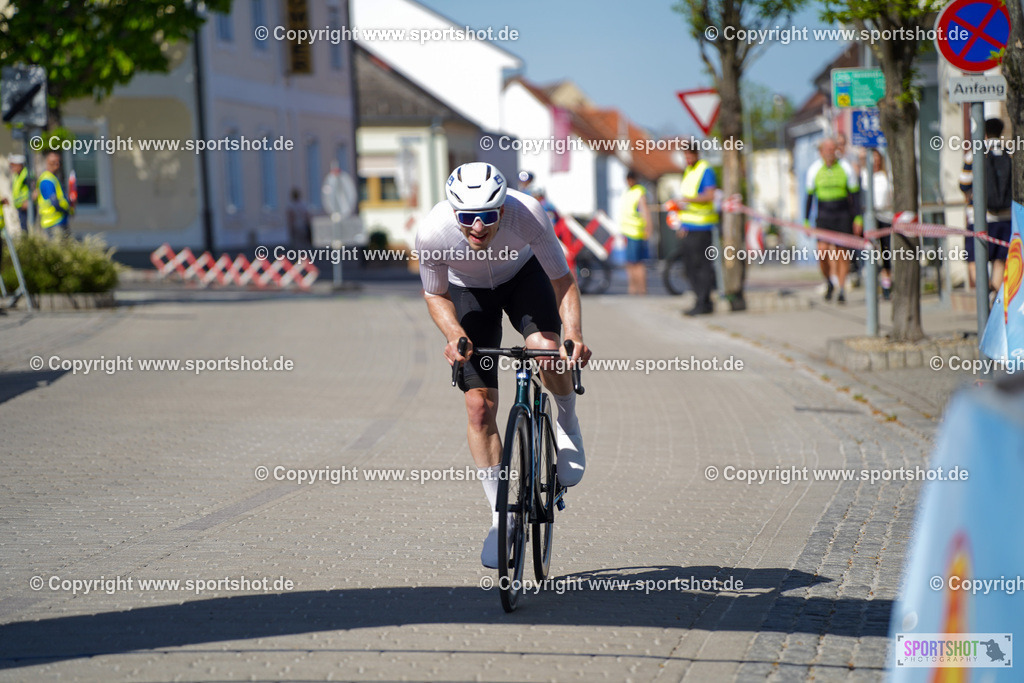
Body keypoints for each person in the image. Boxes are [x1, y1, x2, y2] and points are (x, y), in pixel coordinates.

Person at [416, 162, 591, 569]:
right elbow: (433, 293)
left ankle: (567, 422)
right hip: (467, 290)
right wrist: (453, 334)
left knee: (545, 348)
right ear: (452, 212)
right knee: (478, 406)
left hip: (521, 277)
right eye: (467, 218)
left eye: (488, 217)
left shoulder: (527, 212)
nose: (478, 227)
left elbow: (562, 280)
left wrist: (575, 335)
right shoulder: (432, 232)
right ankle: (500, 518)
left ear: (502, 208)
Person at [805, 138, 861, 304]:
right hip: (824, 215)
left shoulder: (845, 168)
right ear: (821, 152)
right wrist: (806, 221)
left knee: (841, 253)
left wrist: (858, 218)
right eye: (826, 150)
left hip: (842, 214)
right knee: (823, 252)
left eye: (832, 149)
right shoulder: (814, 169)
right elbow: (808, 197)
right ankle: (829, 281)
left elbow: (855, 196)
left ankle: (842, 288)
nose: (829, 153)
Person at [960, 117, 1012, 292]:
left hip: (980, 219)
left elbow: (964, 184)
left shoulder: (974, 153)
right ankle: (993, 297)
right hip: (1006, 218)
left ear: (985, 132)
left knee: (974, 261)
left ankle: (985, 293)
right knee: (1000, 261)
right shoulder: (1010, 153)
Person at [668, 139, 718, 316]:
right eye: (685, 155)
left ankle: (704, 302)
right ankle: (700, 298)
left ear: (697, 154)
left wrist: (688, 200)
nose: (687, 158)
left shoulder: (705, 170)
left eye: (690, 155)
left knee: (701, 266)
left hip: (702, 226)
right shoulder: (688, 171)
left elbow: (710, 195)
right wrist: (682, 223)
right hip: (689, 226)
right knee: (689, 266)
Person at [863, 149, 894, 300]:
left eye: (877, 159)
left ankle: (887, 284)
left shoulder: (887, 176)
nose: (875, 162)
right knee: (871, 253)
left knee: (886, 252)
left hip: (885, 218)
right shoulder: (865, 176)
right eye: (872, 159)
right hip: (870, 219)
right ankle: (872, 284)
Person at [620, 169, 651, 295]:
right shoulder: (628, 192)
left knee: (637, 262)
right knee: (629, 262)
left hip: (636, 232)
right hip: (627, 232)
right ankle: (632, 287)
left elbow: (645, 212)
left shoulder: (639, 192)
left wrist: (648, 229)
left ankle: (641, 288)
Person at [34, 151, 71, 237]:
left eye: (59, 162)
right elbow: (54, 202)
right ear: (47, 163)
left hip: (57, 220)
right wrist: (66, 210)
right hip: (54, 222)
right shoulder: (47, 180)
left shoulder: (53, 178)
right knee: (58, 248)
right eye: (53, 163)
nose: (57, 165)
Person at [9, 154, 29, 230]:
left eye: (13, 166)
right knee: (23, 229)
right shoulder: (16, 175)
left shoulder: (26, 174)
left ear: (19, 165)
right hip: (20, 207)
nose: (12, 168)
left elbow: (35, 190)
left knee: (28, 229)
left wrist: (28, 202)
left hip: (27, 208)